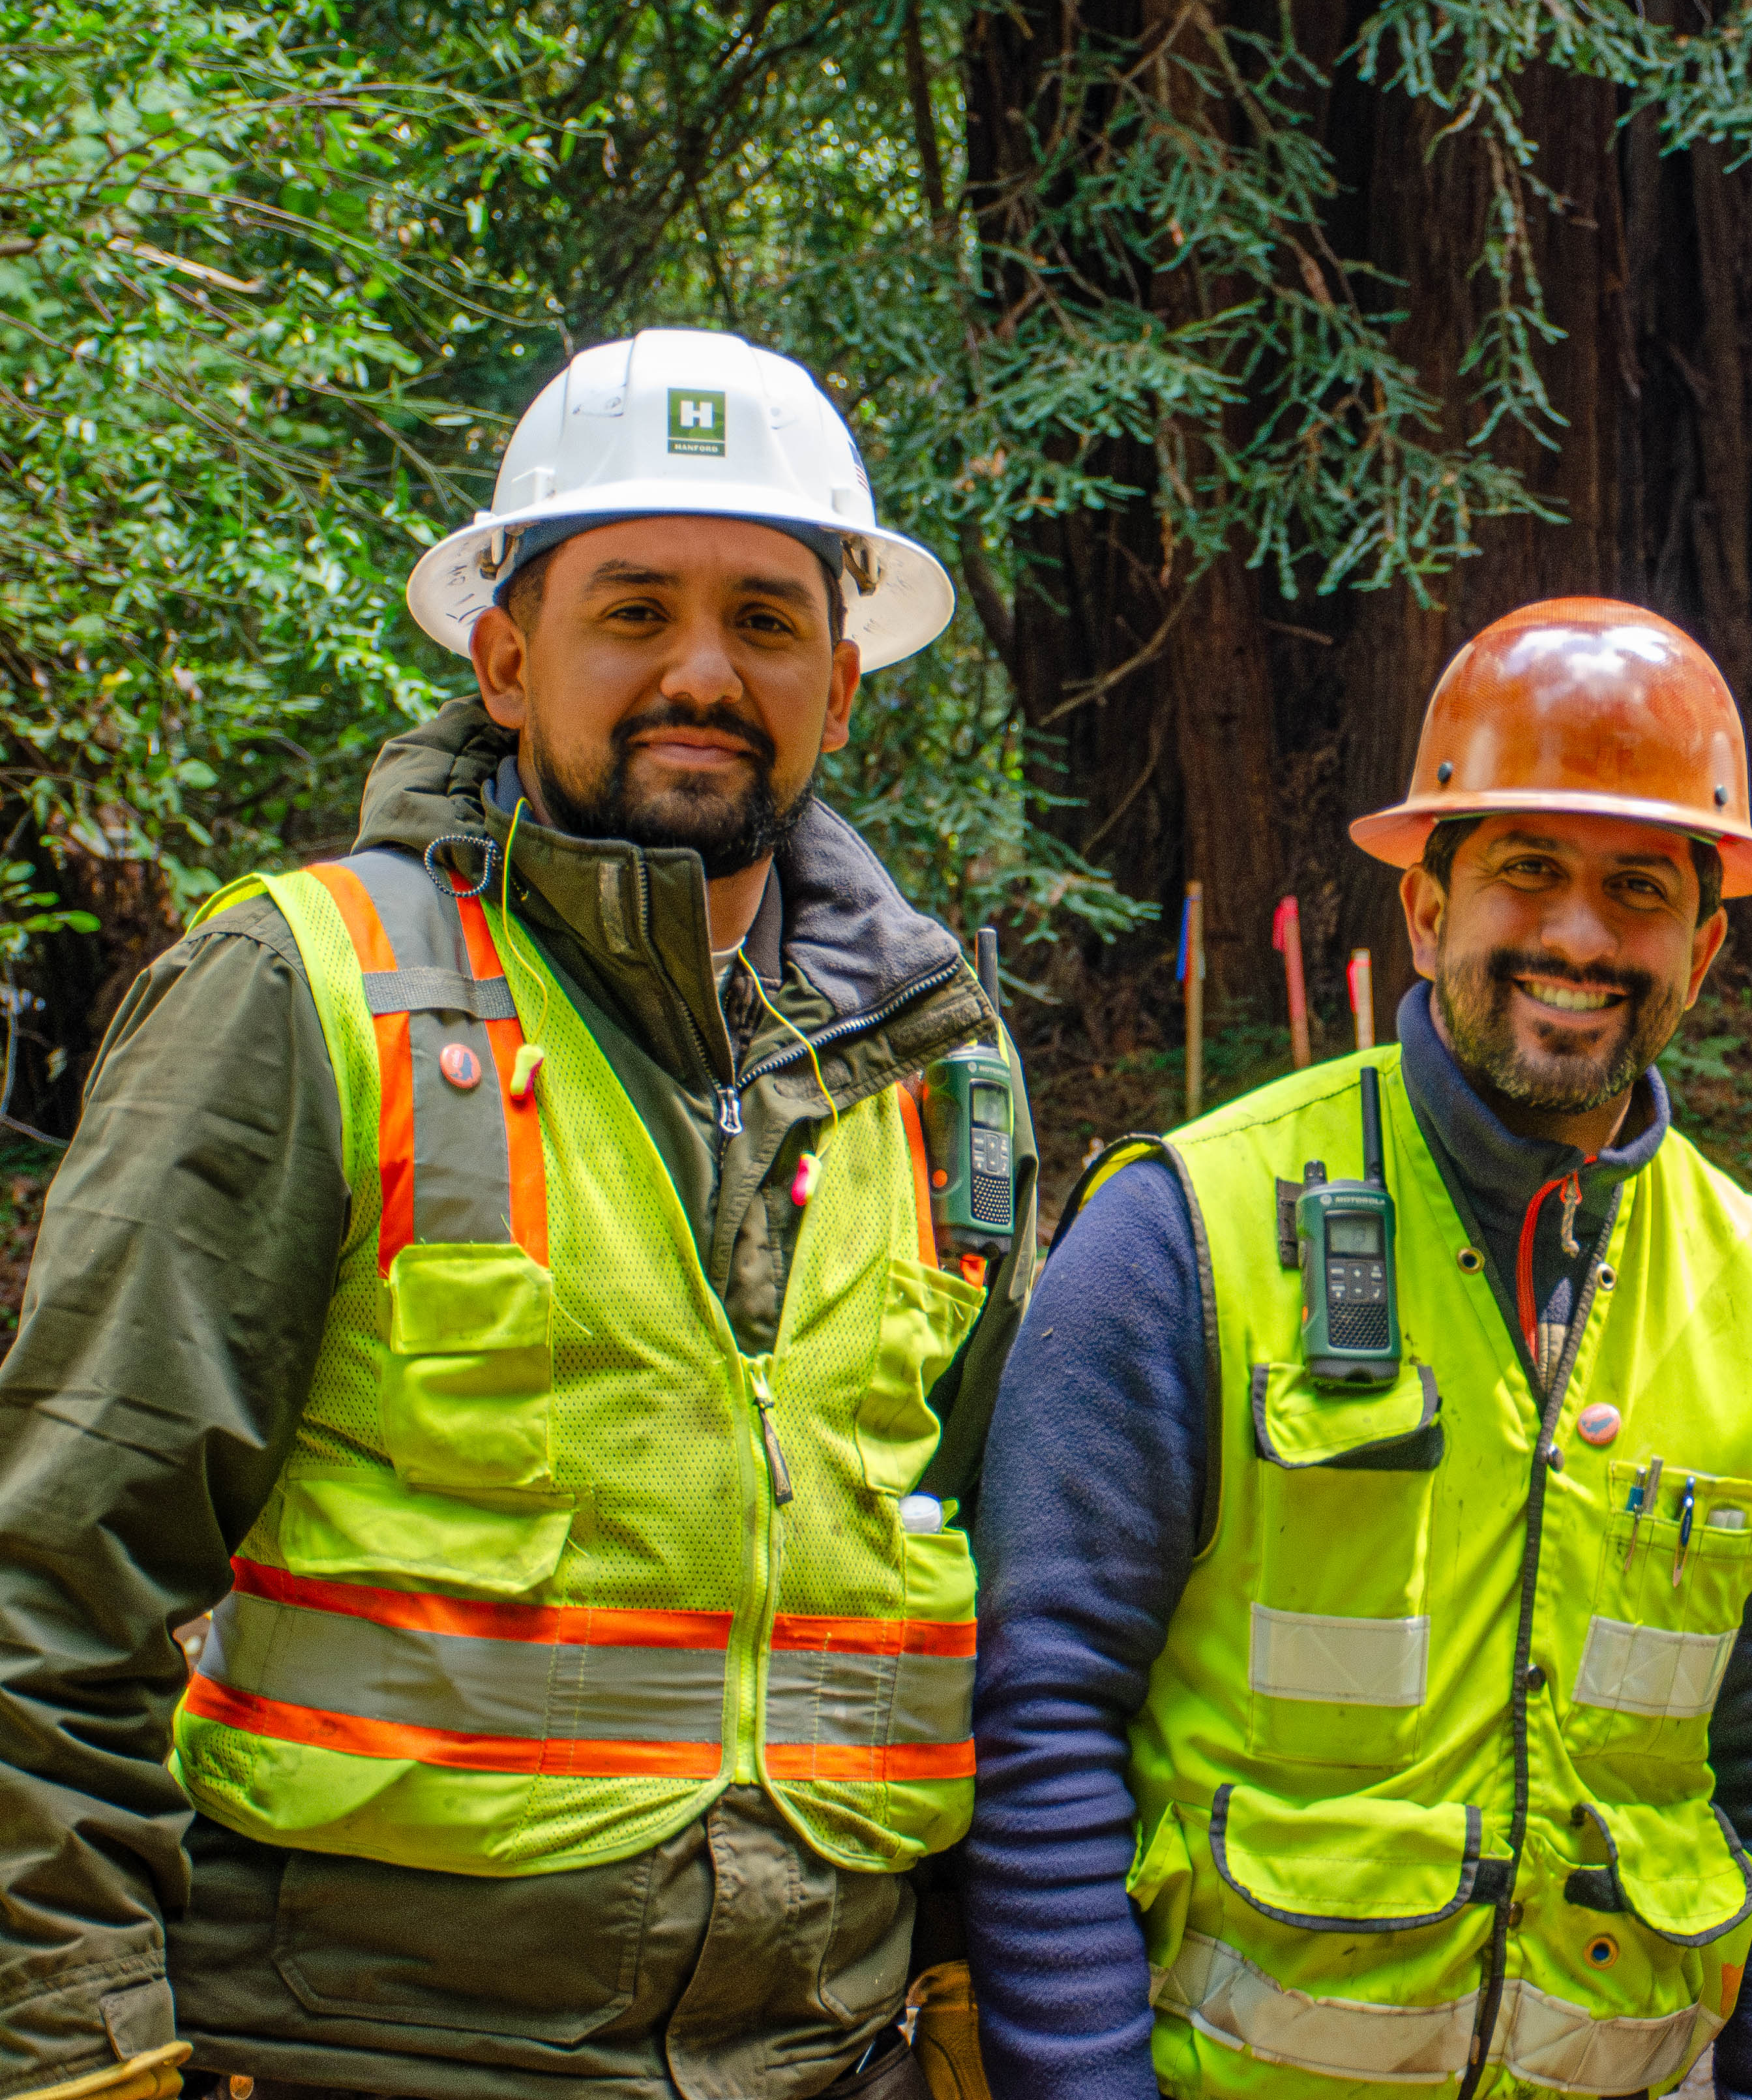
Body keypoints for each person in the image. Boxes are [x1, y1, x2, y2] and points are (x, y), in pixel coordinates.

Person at [0, 327, 1032, 2100]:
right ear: (504, 658)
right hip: (380, 2056)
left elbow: (977, 1588)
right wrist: (83, 2052)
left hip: (829, 2060)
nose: (703, 671)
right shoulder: (308, 995)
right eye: (633, 609)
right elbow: (52, 1590)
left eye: (767, 621)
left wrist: (957, 1989)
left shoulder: (936, 1068)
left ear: (841, 689)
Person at [964, 599, 1752, 2099]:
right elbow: (1044, 1716)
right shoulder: (1187, 1233)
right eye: (1527, 871)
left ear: (1703, 950)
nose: (1579, 936)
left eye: (1636, 889)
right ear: (1424, 908)